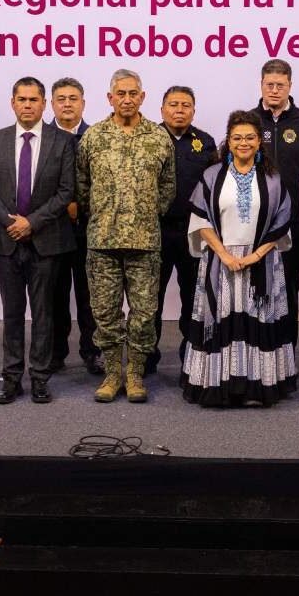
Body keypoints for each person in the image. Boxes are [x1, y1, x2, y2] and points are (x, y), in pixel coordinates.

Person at [182, 110, 296, 407]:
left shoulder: (272, 179)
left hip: (261, 263)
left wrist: (255, 256)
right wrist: (224, 254)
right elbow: (200, 219)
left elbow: (281, 222)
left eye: (249, 137)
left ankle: (256, 388)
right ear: (228, 141)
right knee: (224, 324)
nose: (243, 143)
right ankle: (221, 387)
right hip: (221, 263)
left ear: (259, 141)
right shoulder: (212, 176)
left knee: (255, 324)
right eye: (237, 138)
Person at [76, 69, 175, 403]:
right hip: (102, 241)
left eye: (134, 93)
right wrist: (103, 213)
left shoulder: (158, 137)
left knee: (145, 314)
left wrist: (145, 214)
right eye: (121, 93)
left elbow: (168, 186)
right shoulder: (93, 137)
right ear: (110, 98)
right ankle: (111, 373)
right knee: (105, 313)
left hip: (145, 243)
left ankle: (134, 374)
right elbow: (82, 184)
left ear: (143, 97)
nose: (128, 99)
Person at [0, 77, 75, 404]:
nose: (28, 105)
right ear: (13, 103)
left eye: (34, 100)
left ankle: (39, 377)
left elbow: (66, 191)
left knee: (44, 312)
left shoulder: (61, 142)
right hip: (7, 240)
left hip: (46, 240)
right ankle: (11, 378)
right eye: (22, 99)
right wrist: (12, 223)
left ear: (44, 103)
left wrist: (32, 223)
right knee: (12, 313)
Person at [248, 59, 299, 348]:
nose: (275, 90)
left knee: (287, 288)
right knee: (256, 287)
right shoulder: (250, 120)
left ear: (290, 86)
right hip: (255, 222)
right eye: (270, 85)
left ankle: (286, 355)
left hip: (293, 223)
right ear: (261, 85)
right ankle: (257, 351)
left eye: (281, 85)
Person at [150, 85, 216, 375]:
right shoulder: (147, 137)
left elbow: (214, 186)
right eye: (173, 104)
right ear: (162, 108)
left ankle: (190, 356)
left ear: (193, 110)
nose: (179, 110)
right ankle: (146, 356)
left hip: (193, 232)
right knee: (150, 299)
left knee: (193, 298)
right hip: (155, 231)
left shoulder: (205, 141)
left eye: (186, 105)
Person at [48, 77, 101, 375]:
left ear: (83, 102)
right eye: (61, 99)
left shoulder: (98, 137)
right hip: (52, 229)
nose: (67, 104)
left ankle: (92, 351)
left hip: (89, 230)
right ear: (52, 104)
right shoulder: (41, 137)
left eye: (73, 98)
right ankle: (55, 352)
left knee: (89, 295)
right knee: (54, 295)